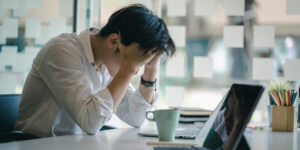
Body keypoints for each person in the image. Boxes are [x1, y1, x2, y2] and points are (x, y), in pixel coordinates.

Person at [14, 4, 175, 137]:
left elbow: (136, 118)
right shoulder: (62, 51)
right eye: (134, 62)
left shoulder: (107, 62)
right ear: (113, 42)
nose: (135, 70)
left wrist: (151, 70)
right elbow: (90, 123)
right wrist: (128, 68)